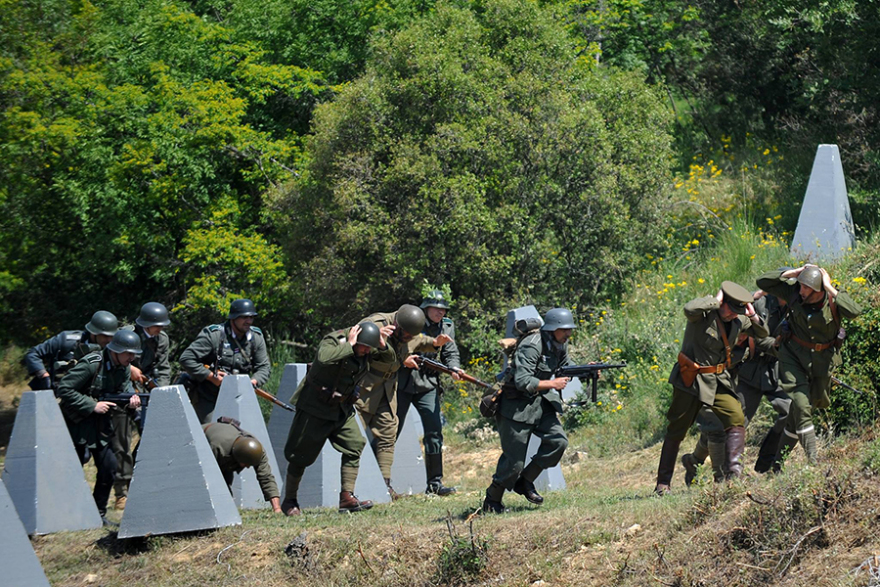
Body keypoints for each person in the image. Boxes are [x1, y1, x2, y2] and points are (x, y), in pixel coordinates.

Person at [654, 281, 768, 496]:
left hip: (718, 381)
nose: (732, 315)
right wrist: (715, 301)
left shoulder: (738, 320)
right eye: (730, 309)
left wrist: (751, 314)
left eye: (738, 311)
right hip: (691, 379)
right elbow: (689, 308)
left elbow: (762, 333)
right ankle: (663, 484)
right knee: (677, 429)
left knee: (735, 418)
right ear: (723, 302)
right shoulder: (703, 315)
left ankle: (734, 475)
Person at [282, 322, 394, 515]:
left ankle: (346, 497)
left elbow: (391, 360)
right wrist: (348, 346)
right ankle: (290, 500)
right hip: (315, 408)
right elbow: (323, 359)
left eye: (370, 347)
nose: (367, 351)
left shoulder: (367, 348)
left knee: (355, 444)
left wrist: (383, 345)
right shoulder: (335, 340)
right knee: (299, 455)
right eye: (364, 346)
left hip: (342, 409)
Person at [756, 265, 861, 467]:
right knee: (802, 406)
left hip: (822, 362)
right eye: (801, 286)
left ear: (818, 290)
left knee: (802, 412)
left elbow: (854, 312)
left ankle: (776, 464)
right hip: (792, 355)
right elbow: (763, 282)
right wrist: (793, 273)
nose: (801, 290)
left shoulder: (833, 298)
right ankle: (814, 463)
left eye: (806, 288)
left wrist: (829, 287)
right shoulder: (793, 291)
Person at [681, 290, 790, 482]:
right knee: (724, 426)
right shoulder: (756, 304)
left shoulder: (795, 307)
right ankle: (709, 467)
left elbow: (767, 338)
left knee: (791, 412)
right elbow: (753, 334)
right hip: (741, 373)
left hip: (770, 372)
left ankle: (768, 462)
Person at [483, 308, 574, 513]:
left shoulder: (560, 343)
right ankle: (492, 501)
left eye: (569, 329)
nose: (568, 334)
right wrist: (552, 384)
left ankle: (525, 481)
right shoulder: (531, 346)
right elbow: (522, 381)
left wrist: (587, 369)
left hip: (541, 405)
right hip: (516, 407)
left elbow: (565, 366)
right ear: (552, 329)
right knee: (513, 463)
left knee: (558, 442)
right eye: (564, 330)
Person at [357, 304, 451, 498]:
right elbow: (352, 345)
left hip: (388, 389)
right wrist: (375, 337)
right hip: (365, 389)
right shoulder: (375, 324)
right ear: (398, 326)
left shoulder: (409, 331)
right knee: (354, 437)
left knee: (387, 436)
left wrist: (435, 343)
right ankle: (353, 486)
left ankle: (383, 486)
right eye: (406, 335)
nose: (409, 339)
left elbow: (420, 340)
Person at [55, 329, 141, 524]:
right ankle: (67, 515)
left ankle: (98, 514)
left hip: (100, 426)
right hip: (76, 425)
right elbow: (65, 389)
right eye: (128, 353)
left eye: (133, 354)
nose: (132, 357)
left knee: (109, 467)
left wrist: (131, 400)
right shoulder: (92, 364)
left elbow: (122, 392)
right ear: (116, 350)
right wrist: (92, 405)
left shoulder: (124, 368)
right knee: (73, 470)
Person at [396, 290, 463, 496]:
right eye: (436, 309)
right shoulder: (412, 320)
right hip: (403, 381)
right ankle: (380, 481)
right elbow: (396, 346)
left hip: (428, 382)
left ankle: (435, 483)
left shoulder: (447, 326)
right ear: (426, 309)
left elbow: (450, 351)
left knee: (434, 432)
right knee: (390, 431)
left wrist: (454, 368)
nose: (440, 313)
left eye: (443, 309)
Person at [111, 302, 172, 511]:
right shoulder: (125, 335)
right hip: (121, 392)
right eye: (158, 325)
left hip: (146, 392)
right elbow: (110, 360)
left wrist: (160, 391)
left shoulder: (161, 339)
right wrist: (130, 370)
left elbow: (163, 367)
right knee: (122, 442)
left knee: (150, 435)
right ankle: (121, 492)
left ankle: (139, 478)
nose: (161, 329)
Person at [179, 298, 271, 424]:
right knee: (211, 433)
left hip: (240, 397)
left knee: (248, 432)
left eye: (251, 317)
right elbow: (187, 358)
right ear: (233, 318)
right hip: (209, 396)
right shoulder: (214, 335)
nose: (248, 321)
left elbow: (264, 367)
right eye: (244, 317)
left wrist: (252, 382)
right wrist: (211, 377)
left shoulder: (256, 337)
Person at [22, 310, 119, 391]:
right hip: (57, 391)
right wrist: (43, 375)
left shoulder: (112, 348)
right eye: (105, 336)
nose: (109, 340)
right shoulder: (67, 340)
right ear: (93, 333)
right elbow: (33, 353)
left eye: (112, 336)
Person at [203, 418, 281, 513]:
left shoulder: (257, 451)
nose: (248, 467)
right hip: (203, 438)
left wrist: (277, 508)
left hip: (227, 450)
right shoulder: (218, 449)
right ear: (236, 456)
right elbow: (210, 478)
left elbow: (266, 477)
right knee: (221, 482)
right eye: (246, 464)